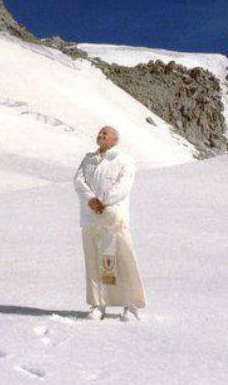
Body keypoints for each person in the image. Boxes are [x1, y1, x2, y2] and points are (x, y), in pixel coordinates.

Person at [73, 126, 146, 321]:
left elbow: (123, 187)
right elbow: (79, 182)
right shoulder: (88, 159)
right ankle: (98, 304)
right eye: (99, 133)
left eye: (105, 134)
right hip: (90, 217)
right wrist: (91, 200)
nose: (101, 135)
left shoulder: (124, 160)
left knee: (122, 259)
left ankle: (130, 305)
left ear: (115, 140)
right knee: (94, 262)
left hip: (113, 217)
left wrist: (102, 201)